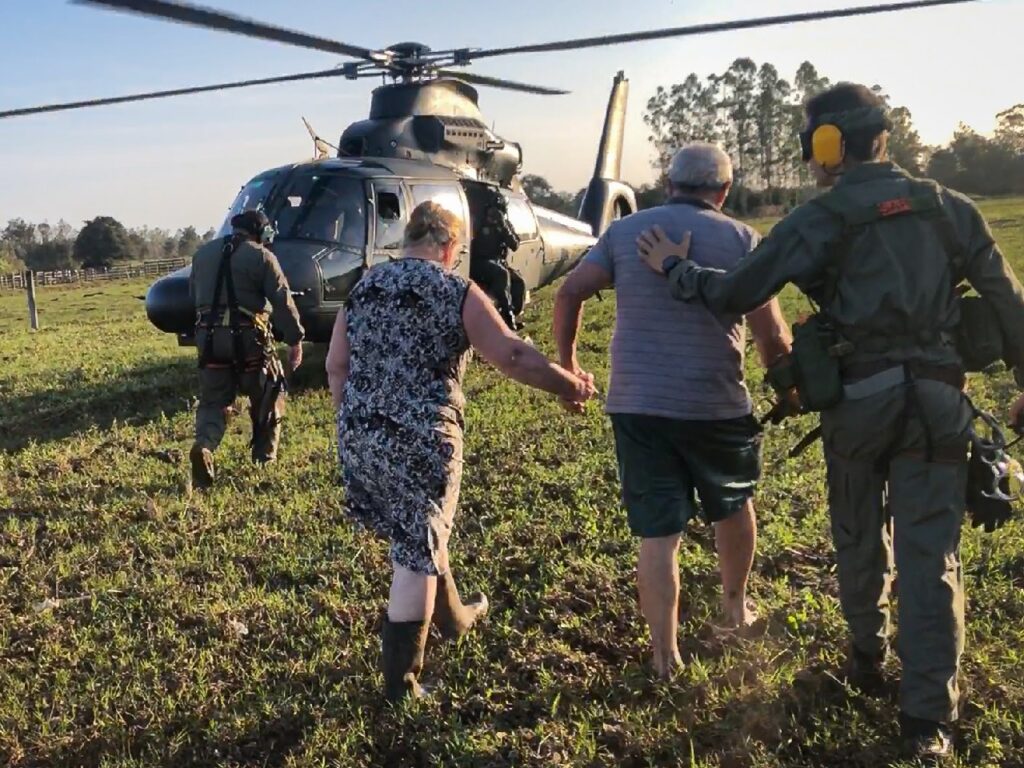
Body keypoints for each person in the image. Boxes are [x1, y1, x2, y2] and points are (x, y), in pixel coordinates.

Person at [637, 83, 1024, 762]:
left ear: (827, 146)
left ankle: (867, 658)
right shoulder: (950, 209)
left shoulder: (821, 219)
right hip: (939, 403)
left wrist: (676, 268)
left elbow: (735, 292)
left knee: (856, 533)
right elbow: (1007, 301)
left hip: (860, 405)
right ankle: (927, 723)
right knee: (933, 561)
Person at [326, 201, 595, 703]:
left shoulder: (362, 289)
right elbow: (512, 355)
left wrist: (355, 422)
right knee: (414, 554)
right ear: (451, 248)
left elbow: (335, 366)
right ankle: (401, 687)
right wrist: (569, 385)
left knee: (419, 529)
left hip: (359, 434)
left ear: (407, 240)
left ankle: (454, 618)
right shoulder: (456, 289)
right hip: (424, 440)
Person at [552, 143, 792, 679]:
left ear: (668, 184)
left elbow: (569, 293)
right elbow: (771, 334)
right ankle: (736, 608)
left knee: (659, 534)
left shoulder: (624, 233)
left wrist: (568, 365)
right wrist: (789, 385)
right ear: (724, 191)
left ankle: (665, 655)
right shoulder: (742, 239)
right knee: (732, 505)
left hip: (637, 405)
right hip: (716, 403)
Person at [189, 209, 304, 489]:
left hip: (209, 339)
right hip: (249, 340)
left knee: (214, 401)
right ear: (261, 232)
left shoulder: (202, 255)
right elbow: (282, 300)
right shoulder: (262, 256)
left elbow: (194, 296)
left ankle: (204, 445)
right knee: (270, 393)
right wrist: (295, 339)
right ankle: (264, 461)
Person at [470, 186, 521, 330]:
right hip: (478, 262)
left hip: (498, 261)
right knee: (501, 275)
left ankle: (513, 312)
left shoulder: (503, 224)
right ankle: (507, 317)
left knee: (518, 282)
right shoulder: (478, 222)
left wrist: (502, 226)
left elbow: (515, 245)